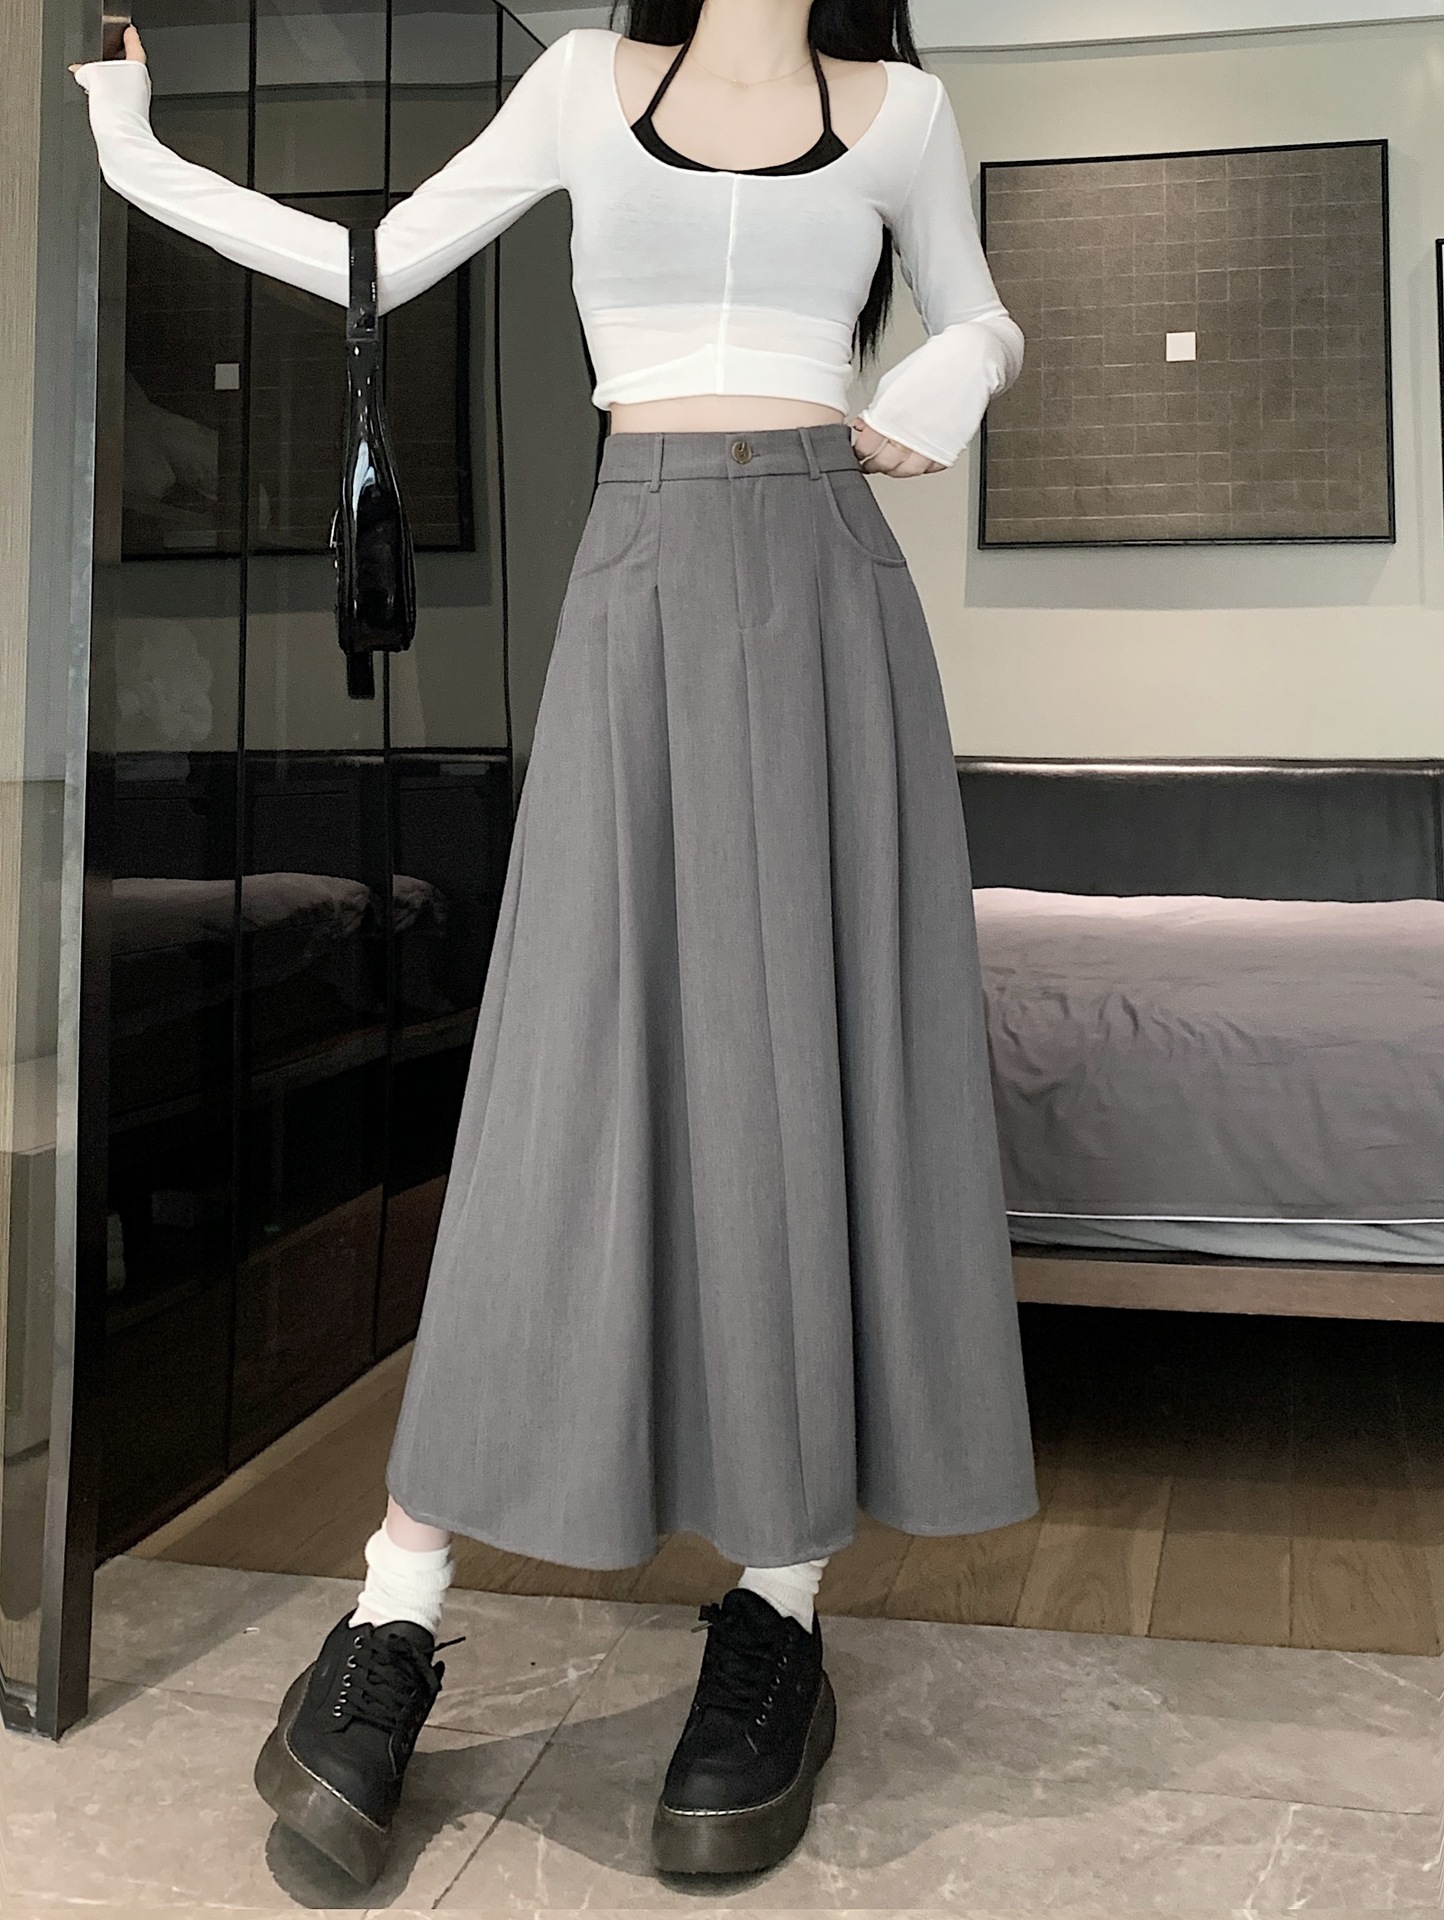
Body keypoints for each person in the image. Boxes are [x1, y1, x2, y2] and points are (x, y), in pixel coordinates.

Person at [72, 0, 1037, 1887]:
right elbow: (371, 263)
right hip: (644, 581)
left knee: (808, 1064)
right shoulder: (585, 82)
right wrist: (130, 151)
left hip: (832, 593)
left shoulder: (907, 112)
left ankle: (777, 1607)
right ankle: (395, 1605)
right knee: (562, 1078)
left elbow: (983, 312)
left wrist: (947, 376)